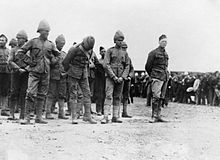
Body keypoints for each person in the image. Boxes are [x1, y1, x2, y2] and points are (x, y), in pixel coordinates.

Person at [18, 20, 59, 124]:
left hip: (46, 73)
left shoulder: (50, 44)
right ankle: (27, 118)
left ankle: (39, 117)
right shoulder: (33, 41)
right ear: (40, 31)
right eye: (45, 31)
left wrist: (52, 61)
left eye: (48, 31)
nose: (47, 33)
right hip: (34, 72)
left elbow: (58, 55)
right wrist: (29, 62)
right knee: (30, 93)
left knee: (42, 95)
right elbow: (20, 53)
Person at [62, 36, 97, 124]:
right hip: (73, 73)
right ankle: (74, 117)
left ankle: (87, 116)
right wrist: (69, 71)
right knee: (73, 94)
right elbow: (65, 62)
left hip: (84, 73)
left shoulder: (90, 50)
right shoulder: (74, 49)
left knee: (87, 93)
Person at [101, 30, 130, 124]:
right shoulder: (109, 51)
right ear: (115, 40)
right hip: (110, 78)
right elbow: (106, 64)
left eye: (122, 40)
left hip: (120, 78)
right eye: (118, 40)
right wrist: (113, 76)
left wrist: (123, 77)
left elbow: (127, 66)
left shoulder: (125, 53)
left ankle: (115, 116)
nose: (120, 42)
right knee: (109, 96)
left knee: (118, 97)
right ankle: (105, 116)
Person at [145, 34, 169, 123]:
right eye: (163, 41)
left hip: (164, 77)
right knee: (156, 96)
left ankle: (158, 115)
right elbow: (148, 66)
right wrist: (152, 75)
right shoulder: (153, 53)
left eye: (166, 42)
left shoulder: (165, 53)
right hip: (156, 77)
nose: (164, 43)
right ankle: (154, 116)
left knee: (161, 97)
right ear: (159, 42)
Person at [45, 34, 68, 120]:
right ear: (56, 43)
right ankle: (48, 113)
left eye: (63, 43)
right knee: (50, 94)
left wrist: (66, 73)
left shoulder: (64, 54)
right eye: (60, 43)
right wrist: (57, 56)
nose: (62, 45)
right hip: (53, 76)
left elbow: (68, 65)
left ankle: (61, 113)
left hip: (62, 77)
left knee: (62, 95)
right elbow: (51, 63)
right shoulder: (52, 53)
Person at [8, 30, 29, 120]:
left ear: (25, 40)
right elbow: (10, 61)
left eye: (20, 38)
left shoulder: (28, 51)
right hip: (16, 74)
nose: (18, 40)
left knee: (23, 94)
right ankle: (11, 113)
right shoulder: (13, 50)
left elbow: (32, 62)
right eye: (17, 38)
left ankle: (22, 114)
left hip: (25, 74)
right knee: (13, 92)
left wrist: (26, 69)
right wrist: (18, 68)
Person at [121, 42, 134, 118]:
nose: (124, 50)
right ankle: (116, 113)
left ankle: (124, 112)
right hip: (119, 80)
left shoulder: (128, 58)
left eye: (125, 48)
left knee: (126, 96)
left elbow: (132, 69)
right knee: (118, 96)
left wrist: (129, 76)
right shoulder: (117, 57)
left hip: (127, 80)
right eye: (123, 48)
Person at [0, 34, 10, 124]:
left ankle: (4, 109)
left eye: (3, 40)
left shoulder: (8, 51)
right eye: (0, 40)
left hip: (6, 73)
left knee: (5, 91)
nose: (1, 41)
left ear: (6, 41)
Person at [94, 46, 106, 116]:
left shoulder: (108, 61)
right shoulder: (99, 61)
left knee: (105, 94)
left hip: (106, 79)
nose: (103, 53)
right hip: (99, 80)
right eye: (102, 52)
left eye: (104, 51)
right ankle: (99, 110)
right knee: (99, 95)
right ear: (100, 53)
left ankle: (104, 110)